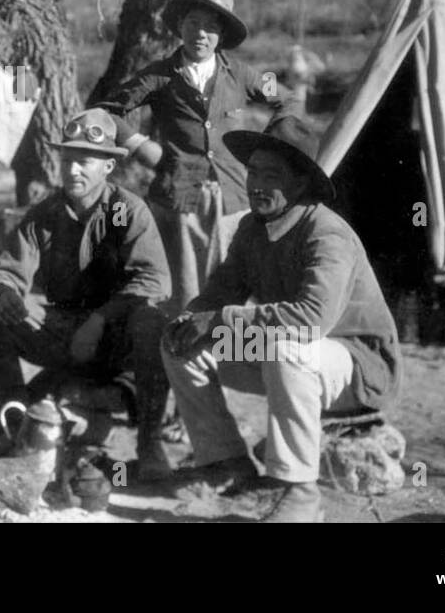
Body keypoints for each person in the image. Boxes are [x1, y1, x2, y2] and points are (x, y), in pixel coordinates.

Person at [160, 116, 402, 522]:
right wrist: (191, 318)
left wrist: (218, 320)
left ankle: (301, 492)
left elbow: (311, 319)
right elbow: (220, 293)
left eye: (272, 175)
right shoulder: (253, 230)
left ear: (301, 183)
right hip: (287, 357)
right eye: (253, 172)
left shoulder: (327, 234)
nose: (257, 185)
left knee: (288, 347)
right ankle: (227, 462)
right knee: (182, 343)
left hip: (355, 365)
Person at [0, 108, 174, 482]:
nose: (72, 170)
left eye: (85, 161)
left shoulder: (127, 211)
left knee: (151, 321)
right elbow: (8, 268)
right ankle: (20, 417)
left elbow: (153, 281)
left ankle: (150, 441)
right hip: (62, 329)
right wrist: (3, 292)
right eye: (67, 159)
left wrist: (100, 320)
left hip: (115, 338)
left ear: (108, 167)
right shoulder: (44, 213)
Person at [95, 0, 298, 315]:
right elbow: (109, 111)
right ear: (180, 27)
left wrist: (267, 151)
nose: (201, 34)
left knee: (231, 286)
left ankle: (226, 360)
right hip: (179, 199)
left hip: (233, 199)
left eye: (211, 27)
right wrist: (145, 149)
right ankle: (181, 355)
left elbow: (288, 99)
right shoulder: (159, 75)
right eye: (193, 24)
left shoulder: (242, 74)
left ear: (222, 35)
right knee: (184, 293)